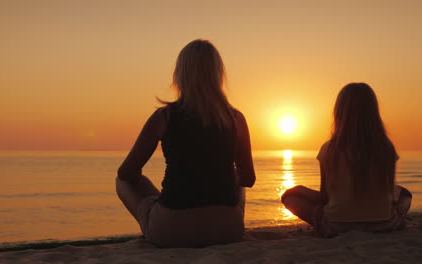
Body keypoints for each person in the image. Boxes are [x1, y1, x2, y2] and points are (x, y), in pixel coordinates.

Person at [116, 39, 256, 247]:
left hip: (171, 231)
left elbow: (126, 172)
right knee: (237, 178)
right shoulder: (235, 119)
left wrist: (158, 197)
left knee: (122, 182)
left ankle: (165, 211)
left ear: (180, 74)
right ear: (218, 75)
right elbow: (248, 179)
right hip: (227, 230)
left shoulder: (165, 117)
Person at [281, 83, 412, 237]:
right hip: (384, 225)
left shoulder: (329, 149)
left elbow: (325, 197)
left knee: (290, 198)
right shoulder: (385, 147)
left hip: (336, 227)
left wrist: (300, 190)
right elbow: (390, 194)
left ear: (339, 112)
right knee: (405, 194)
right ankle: (398, 219)